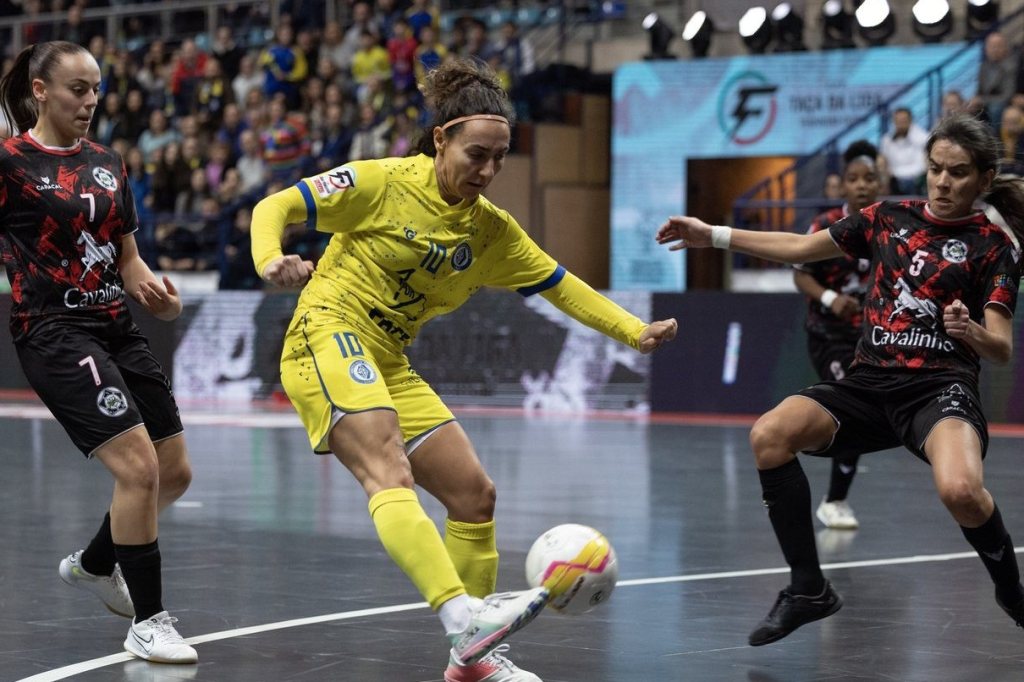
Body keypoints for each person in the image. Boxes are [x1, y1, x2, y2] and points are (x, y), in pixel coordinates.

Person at [251, 58, 678, 681]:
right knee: (388, 467)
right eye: (477, 154)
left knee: (474, 497)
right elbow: (276, 204)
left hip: (388, 359)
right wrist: (270, 260)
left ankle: (470, 662)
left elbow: (562, 286)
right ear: (440, 140)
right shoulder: (380, 183)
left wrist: (633, 331)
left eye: (500, 158)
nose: (489, 171)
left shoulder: (491, 233)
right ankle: (463, 620)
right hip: (327, 333)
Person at [657, 113, 1024, 647]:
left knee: (962, 491)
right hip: (869, 384)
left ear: (983, 180)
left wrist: (969, 330)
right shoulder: (887, 217)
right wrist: (711, 235)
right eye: (935, 169)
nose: (943, 182)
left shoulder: (995, 247)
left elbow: (1002, 348)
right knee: (769, 435)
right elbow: (801, 250)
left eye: (958, 173)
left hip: (939, 390)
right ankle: (808, 588)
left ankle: (1013, 594)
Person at [0, 41, 196, 663]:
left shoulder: (108, 161)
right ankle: (150, 621)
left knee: (176, 473)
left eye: (96, 90)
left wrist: (157, 297)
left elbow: (129, 257)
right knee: (137, 470)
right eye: (76, 90)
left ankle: (93, 562)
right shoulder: (9, 164)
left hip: (117, 326)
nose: (90, 101)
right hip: (53, 332)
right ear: (39, 90)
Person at [792, 140, 881, 530]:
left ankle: (834, 496)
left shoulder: (890, 226)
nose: (862, 186)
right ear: (841, 187)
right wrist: (830, 299)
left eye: (869, 179)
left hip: (869, 336)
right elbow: (800, 272)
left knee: (864, 412)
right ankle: (832, 498)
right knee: (853, 404)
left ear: (879, 184)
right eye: (853, 180)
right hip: (827, 333)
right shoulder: (824, 226)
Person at [879, 107, 928, 195]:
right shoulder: (886, 140)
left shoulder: (923, 137)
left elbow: (922, 166)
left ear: (910, 120)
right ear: (893, 121)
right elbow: (883, 162)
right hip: (893, 180)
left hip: (916, 179)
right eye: (898, 121)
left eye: (904, 120)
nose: (901, 124)